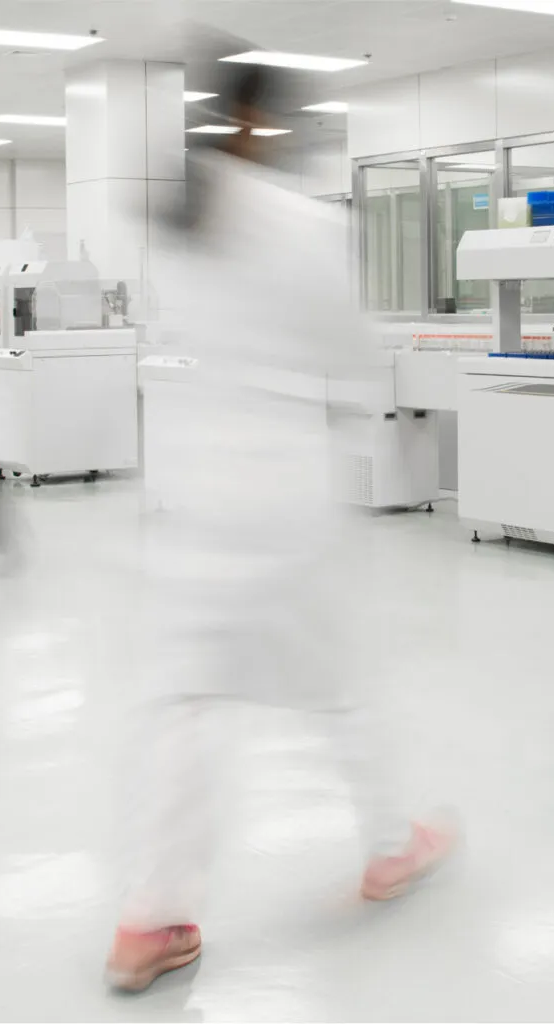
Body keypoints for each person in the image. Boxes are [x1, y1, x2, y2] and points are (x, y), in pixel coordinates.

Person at [104, 62, 458, 993]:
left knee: (183, 702)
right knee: (338, 682)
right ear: (262, 119)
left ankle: (150, 920)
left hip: (191, 484)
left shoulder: (182, 222)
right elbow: (349, 351)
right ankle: (390, 847)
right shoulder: (301, 224)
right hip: (278, 485)